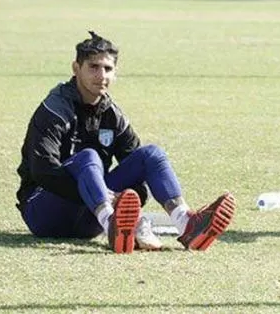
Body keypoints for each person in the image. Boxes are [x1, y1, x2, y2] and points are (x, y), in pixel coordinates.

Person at [16, 31, 236, 253]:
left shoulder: (114, 116)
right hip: (44, 213)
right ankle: (112, 225)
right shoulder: (54, 109)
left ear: (115, 73)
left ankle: (187, 224)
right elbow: (42, 171)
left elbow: (138, 188)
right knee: (89, 157)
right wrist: (107, 195)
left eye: (108, 69)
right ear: (76, 68)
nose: (101, 75)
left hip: (89, 221)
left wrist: (119, 200)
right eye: (93, 67)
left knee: (152, 155)